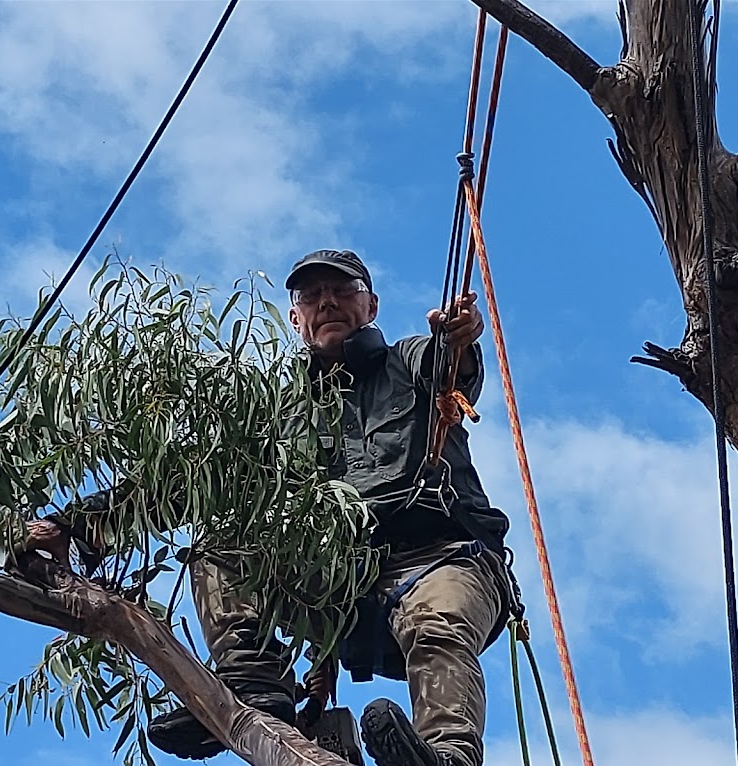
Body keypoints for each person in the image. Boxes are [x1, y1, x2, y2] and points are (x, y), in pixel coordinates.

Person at [146, 248, 518, 766]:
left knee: (439, 615)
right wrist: (74, 526)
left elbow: (450, 368)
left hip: (438, 556)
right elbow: (190, 483)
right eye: (312, 296)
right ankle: (254, 688)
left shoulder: (410, 360)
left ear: (371, 305)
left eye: (343, 291)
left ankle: (446, 757)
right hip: (339, 586)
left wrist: (459, 338)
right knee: (222, 539)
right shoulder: (277, 412)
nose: (328, 303)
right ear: (295, 317)